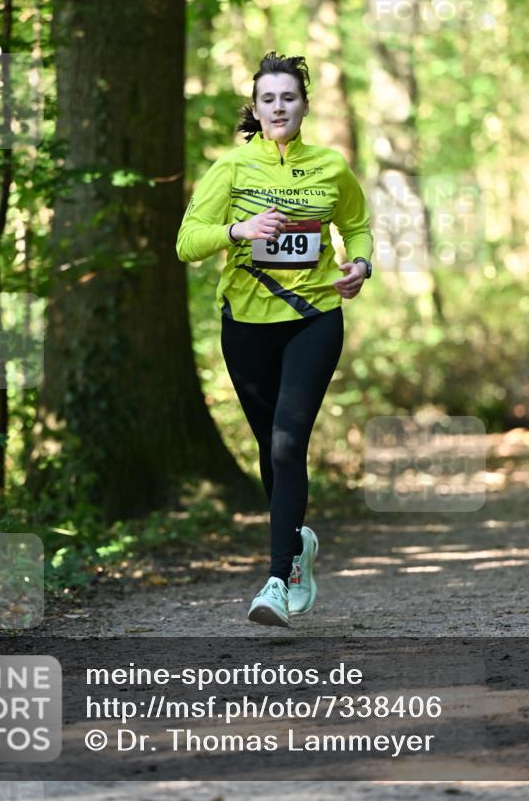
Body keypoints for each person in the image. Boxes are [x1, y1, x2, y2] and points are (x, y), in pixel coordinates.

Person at [176, 51, 373, 627]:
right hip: (245, 326)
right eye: (269, 99)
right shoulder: (232, 169)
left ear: (305, 105)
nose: (279, 107)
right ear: (256, 109)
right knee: (270, 448)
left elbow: (356, 225)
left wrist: (360, 265)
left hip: (314, 318)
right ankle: (298, 548)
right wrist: (239, 229)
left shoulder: (331, 166)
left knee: (288, 445)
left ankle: (276, 580)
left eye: (289, 97)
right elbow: (187, 242)